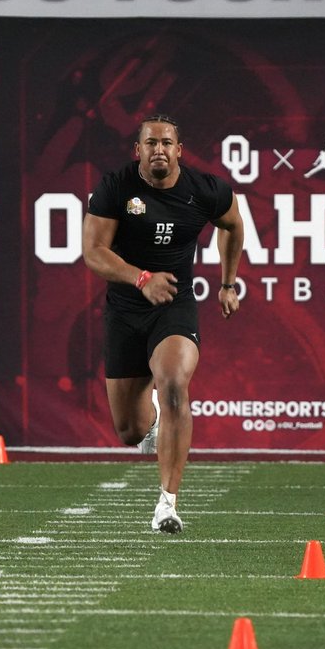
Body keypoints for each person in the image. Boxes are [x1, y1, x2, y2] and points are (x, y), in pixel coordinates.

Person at [82, 114, 245, 533]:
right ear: (138, 151)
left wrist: (228, 283)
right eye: (150, 143)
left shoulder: (204, 190)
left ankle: (167, 505)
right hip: (125, 309)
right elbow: (94, 252)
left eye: (167, 143)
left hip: (174, 304)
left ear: (179, 150)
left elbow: (232, 223)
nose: (159, 149)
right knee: (128, 430)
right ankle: (152, 422)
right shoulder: (115, 187)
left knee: (174, 382)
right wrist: (141, 278)